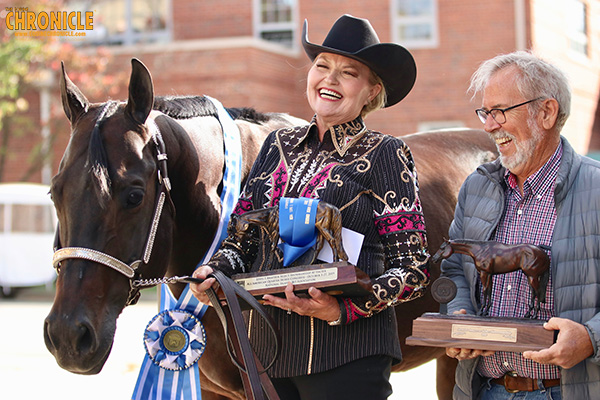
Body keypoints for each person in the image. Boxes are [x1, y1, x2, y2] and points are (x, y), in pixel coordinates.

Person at [190, 14, 430, 400]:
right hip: (267, 351)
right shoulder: (276, 146)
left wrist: (342, 312)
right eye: (322, 66)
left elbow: (414, 269)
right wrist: (216, 271)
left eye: (348, 72)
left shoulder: (386, 154)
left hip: (346, 356)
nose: (330, 79)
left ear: (371, 92)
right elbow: (241, 238)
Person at [441, 51, 600, 399]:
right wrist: (460, 315)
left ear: (546, 112)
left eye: (500, 111)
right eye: (485, 112)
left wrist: (591, 339)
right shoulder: (477, 186)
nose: (488, 125)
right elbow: (455, 269)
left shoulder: (596, 189)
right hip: (486, 390)